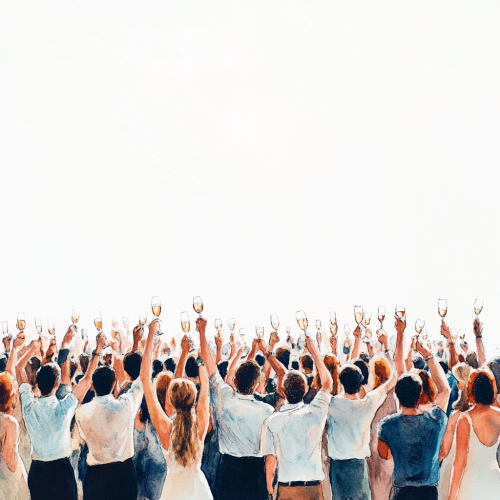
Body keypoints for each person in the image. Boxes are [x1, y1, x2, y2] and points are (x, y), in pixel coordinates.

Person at [19, 328, 104, 500]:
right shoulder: (64, 408)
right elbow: (87, 379)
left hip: (38, 472)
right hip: (61, 471)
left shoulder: (28, 405)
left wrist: (31, 349)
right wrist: (98, 349)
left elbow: (18, 367)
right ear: (57, 384)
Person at [199, 319, 273, 500]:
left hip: (228, 470)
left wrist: (201, 332)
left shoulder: (224, 398)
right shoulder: (267, 411)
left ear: (235, 381)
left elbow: (210, 367)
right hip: (255, 472)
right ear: (256, 385)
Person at [378, 320, 451, 500]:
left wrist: (401, 334)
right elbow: (445, 389)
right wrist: (427, 353)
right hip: (428, 492)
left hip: (400, 492)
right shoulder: (435, 420)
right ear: (420, 395)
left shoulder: (388, 425)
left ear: (397, 393)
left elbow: (384, 455)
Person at [141, 318, 212, 500]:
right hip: (199, 491)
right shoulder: (201, 423)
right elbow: (206, 387)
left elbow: (145, 379)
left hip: (173, 492)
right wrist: (199, 360)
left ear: (170, 401)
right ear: (194, 398)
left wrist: (151, 336)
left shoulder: (166, 428)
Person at [261, 335, 333, 500]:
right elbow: (327, 383)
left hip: (288, 489)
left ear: (283, 392)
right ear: (306, 390)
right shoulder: (315, 412)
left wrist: (269, 488)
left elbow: (271, 460)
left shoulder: (272, 421)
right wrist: (314, 350)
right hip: (314, 489)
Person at [75, 329, 143, 500]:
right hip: (123, 474)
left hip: (95, 477)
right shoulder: (125, 406)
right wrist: (139, 342)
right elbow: (141, 379)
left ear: (93, 387)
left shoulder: (81, 412)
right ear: (114, 385)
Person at [327, 346, 395, 500]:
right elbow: (391, 381)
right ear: (360, 382)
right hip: (358, 466)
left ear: (340, 382)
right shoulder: (368, 404)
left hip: (337, 467)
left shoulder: (331, 404)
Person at [447, 369, 500, 500]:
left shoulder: (465, 419)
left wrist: (451, 496)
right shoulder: (498, 415)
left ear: (472, 390)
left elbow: (459, 460)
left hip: (471, 484)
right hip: (494, 481)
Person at [0, 333, 29, 500]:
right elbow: (9, 457)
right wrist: (19, 471)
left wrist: (14, 350)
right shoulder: (8, 421)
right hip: (8, 476)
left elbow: (7, 378)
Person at [438, 363, 471, 500]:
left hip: (452, 467)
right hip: (471, 470)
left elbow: (445, 449)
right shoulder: (479, 413)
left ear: (459, 384)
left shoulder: (456, 415)